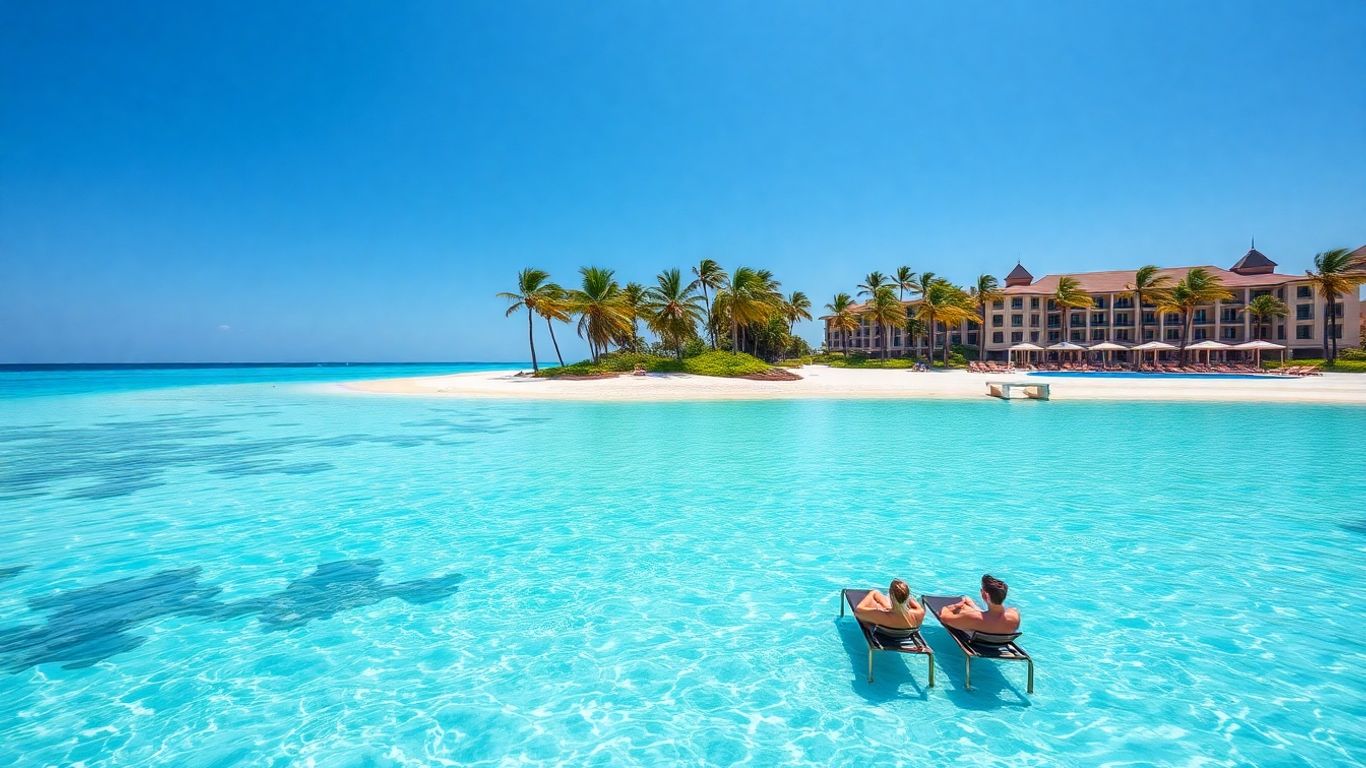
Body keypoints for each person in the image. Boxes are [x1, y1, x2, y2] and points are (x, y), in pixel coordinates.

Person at [937, 574, 1020, 635]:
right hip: (999, 642)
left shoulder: (973, 618)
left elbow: (944, 617)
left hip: (979, 644)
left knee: (963, 609)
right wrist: (973, 606)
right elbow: (992, 618)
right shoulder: (1014, 615)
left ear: (985, 595)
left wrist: (955, 606)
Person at [854, 579, 924, 637]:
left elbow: (857, 611)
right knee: (886, 605)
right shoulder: (919, 613)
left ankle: (884, 598)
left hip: (885, 635)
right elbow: (913, 601)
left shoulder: (882, 616)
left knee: (874, 603)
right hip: (905, 634)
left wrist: (873, 592)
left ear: (891, 595)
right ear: (908, 596)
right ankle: (892, 603)